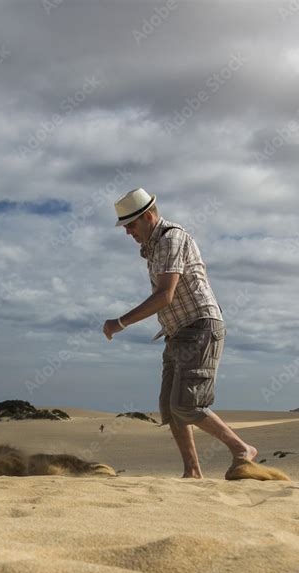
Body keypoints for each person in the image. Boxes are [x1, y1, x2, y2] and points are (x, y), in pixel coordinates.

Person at [103, 188, 257, 479]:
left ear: (148, 216)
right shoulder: (155, 246)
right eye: (125, 227)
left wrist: (119, 323)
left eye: (131, 225)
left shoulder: (171, 238)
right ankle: (192, 471)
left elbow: (165, 295)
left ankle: (241, 450)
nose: (128, 233)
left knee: (187, 404)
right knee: (170, 409)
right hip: (177, 333)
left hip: (199, 326)